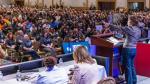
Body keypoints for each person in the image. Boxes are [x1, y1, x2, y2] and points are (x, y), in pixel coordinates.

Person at [103, 15, 141, 84]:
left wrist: (109, 25)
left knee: (127, 67)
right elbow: (131, 38)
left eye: (129, 20)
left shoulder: (130, 28)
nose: (128, 22)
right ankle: (134, 81)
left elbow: (119, 28)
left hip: (128, 50)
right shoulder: (138, 29)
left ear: (131, 22)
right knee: (132, 66)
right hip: (134, 49)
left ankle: (129, 82)